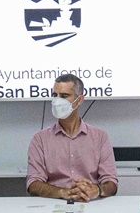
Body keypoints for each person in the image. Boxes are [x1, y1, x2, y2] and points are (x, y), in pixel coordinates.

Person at [26, 73, 118, 201]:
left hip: (91, 204)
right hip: (52, 204)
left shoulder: (100, 137)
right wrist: (63, 192)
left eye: (64, 96)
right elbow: (33, 184)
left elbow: (111, 184)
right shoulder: (40, 139)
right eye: (55, 95)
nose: (57, 101)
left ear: (79, 100)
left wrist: (97, 190)